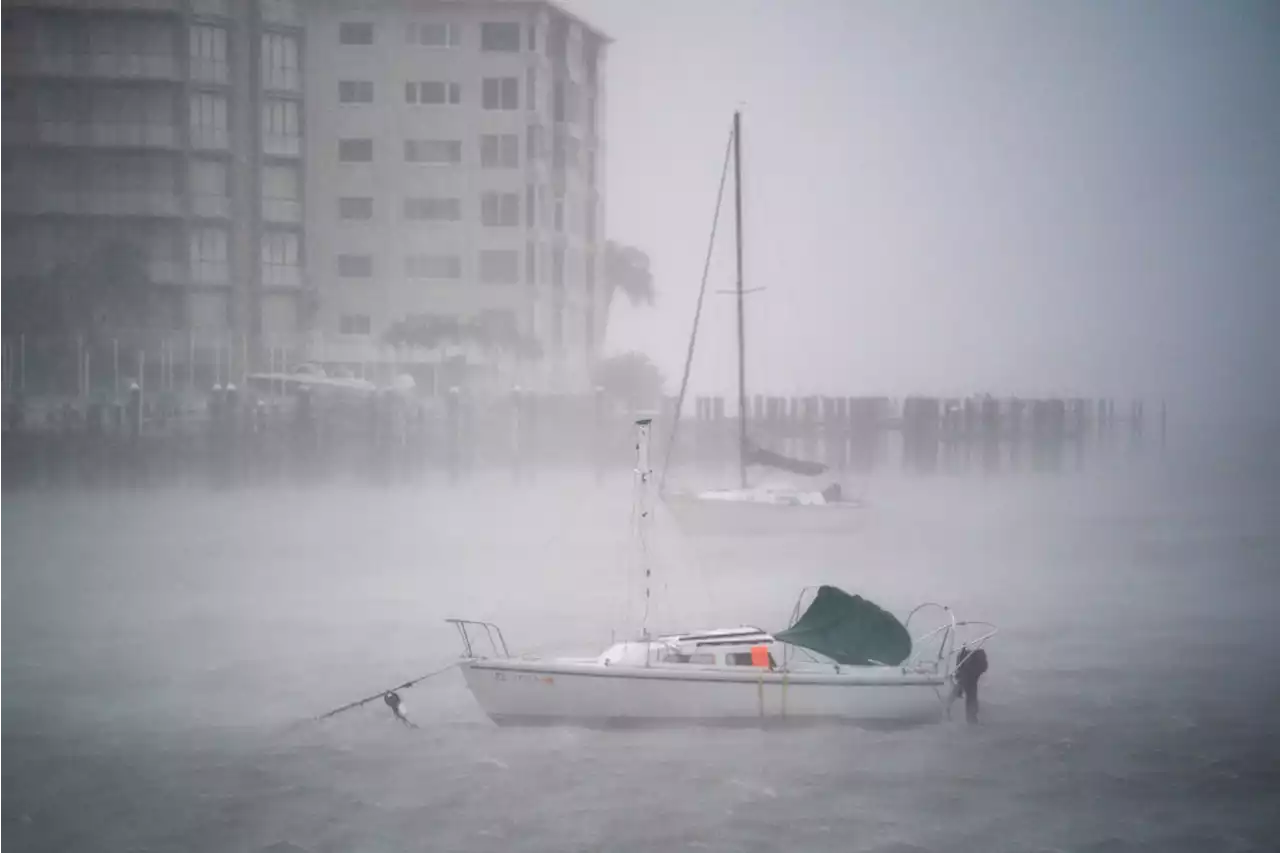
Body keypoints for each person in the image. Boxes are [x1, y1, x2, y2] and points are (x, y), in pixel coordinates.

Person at [949, 644, 989, 723]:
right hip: (970, 658)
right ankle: (971, 718)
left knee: (967, 689)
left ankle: (971, 717)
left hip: (971, 656)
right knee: (969, 690)